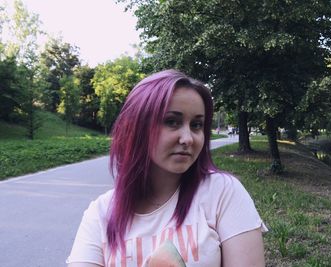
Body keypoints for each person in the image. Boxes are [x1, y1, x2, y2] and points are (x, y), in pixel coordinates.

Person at [66, 69, 267, 267]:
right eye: (172, 121)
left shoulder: (223, 193)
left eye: (196, 125)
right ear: (136, 128)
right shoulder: (100, 214)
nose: (188, 138)